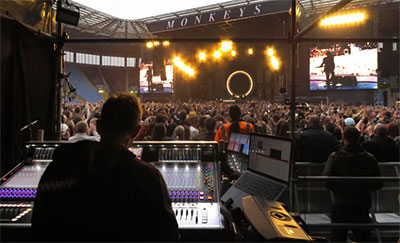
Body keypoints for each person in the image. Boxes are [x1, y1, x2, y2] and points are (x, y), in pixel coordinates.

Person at [32, 93, 179, 242]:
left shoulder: (60, 166)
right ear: (136, 131)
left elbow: (39, 225)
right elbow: (169, 235)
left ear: (99, 126)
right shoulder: (147, 177)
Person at [323, 126, 383, 242]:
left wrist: (340, 189)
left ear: (343, 138)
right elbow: (378, 183)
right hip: (362, 204)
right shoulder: (369, 158)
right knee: (362, 237)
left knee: (338, 238)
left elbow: (327, 181)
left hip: (341, 203)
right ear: (359, 137)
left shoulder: (335, 157)